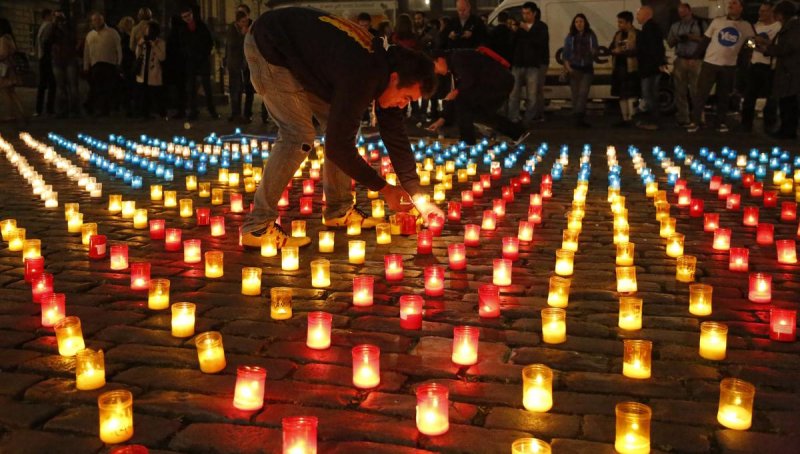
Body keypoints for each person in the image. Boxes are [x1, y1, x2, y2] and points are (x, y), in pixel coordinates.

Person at [241, 7, 441, 249]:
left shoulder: (386, 70)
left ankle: (339, 209)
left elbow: (395, 135)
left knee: (342, 129)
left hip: (306, 60)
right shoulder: (364, 73)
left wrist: (416, 193)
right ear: (396, 78)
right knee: (299, 135)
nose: (402, 105)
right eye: (406, 98)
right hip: (270, 45)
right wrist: (385, 189)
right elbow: (337, 148)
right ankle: (258, 226)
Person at [425, 48, 526, 145]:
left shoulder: (458, 58)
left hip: (497, 83)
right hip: (494, 84)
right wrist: (442, 119)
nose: (436, 72)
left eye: (435, 67)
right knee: (478, 113)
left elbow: (468, 80)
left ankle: (467, 141)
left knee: (463, 104)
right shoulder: (453, 66)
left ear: (439, 59)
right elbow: (457, 92)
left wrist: (456, 92)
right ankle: (517, 132)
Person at [688, 0, 755, 133]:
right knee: (701, 93)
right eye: (730, 3)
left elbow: (749, 46)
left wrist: (743, 63)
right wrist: (695, 56)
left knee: (723, 95)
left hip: (729, 65)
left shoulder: (746, 26)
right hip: (710, 63)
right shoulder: (718, 21)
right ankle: (695, 121)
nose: (730, 5)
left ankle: (720, 122)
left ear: (741, 8)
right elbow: (705, 40)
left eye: (735, 3)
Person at [759, 1, 800, 139]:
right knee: (786, 101)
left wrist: (769, 50)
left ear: (781, 14)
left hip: (790, 71)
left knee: (788, 102)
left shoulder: (794, 27)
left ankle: (788, 131)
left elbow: (789, 47)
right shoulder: (790, 26)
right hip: (787, 70)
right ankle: (786, 129)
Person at [741, 2, 781, 132]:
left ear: (771, 12)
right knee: (749, 94)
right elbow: (749, 43)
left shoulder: (778, 27)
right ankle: (746, 123)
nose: (760, 14)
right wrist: (757, 46)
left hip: (770, 66)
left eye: (764, 11)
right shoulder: (756, 26)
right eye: (760, 11)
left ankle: (770, 122)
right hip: (755, 63)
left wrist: (763, 43)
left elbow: (777, 46)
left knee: (770, 96)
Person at [509, 2, 549, 126]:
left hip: (533, 65)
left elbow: (540, 43)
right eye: (523, 13)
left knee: (532, 95)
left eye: (528, 13)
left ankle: (528, 118)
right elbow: (511, 44)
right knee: (514, 93)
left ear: (534, 13)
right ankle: (513, 117)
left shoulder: (541, 27)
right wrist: (514, 32)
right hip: (518, 64)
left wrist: (528, 31)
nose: (525, 16)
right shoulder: (519, 27)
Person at [667, 3, 708, 127]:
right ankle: (683, 117)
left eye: (684, 10)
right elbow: (670, 43)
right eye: (680, 11)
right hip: (681, 59)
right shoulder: (675, 26)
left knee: (696, 90)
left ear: (690, 10)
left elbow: (706, 41)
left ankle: (698, 117)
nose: (681, 13)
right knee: (680, 90)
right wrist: (678, 39)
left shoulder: (700, 24)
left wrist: (691, 37)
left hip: (696, 60)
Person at [176, 4, 219, 120]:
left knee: (207, 87)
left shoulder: (201, 26)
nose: (187, 18)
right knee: (191, 88)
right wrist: (189, 54)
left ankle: (212, 110)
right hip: (191, 62)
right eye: (184, 17)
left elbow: (209, 42)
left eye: (188, 15)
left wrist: (203, 53)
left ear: (192, 14)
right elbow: (182, 46)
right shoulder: (182, 30)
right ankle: (193, 111)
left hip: (203, 60)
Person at [562, 13, 599, 128]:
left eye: (581, 21)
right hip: (575, 68)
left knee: (583, 93)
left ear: (585, 23)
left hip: (587, 68)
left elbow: (595, 49)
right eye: (577, 21)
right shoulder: (570, 37)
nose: (579, 24)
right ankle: (577, 118)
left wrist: (592, 53)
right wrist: (568, 68)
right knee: (576, 95)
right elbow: (566, 54)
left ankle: (578, 117)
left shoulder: (591, 35)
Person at [83, 12, 122, 117]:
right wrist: (86, 66)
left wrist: (119, 62)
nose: (97, 22)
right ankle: (98, 107)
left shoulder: (112, 33)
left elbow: (118, 48)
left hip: (109, 63)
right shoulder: (90, 35)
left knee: (107, 87)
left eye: (99, 20)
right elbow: (87, 51)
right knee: (97, 87)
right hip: (95, 64)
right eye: (94, 20)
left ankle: (104, 108)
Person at [634, 6, 666, 130]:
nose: (637, 17)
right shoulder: (652, 28)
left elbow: (652, 49)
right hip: (651, 67)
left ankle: (655, 122)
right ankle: (653, 121)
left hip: (649, 68)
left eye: (638, 14)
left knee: (649, 95)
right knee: (650, 95)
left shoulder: (649, 29)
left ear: (646, 15)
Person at [610, 11, 640, 127]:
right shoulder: (618, 34)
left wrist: (623, 51)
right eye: (618, 22)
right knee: (622, 95)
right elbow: (611, 47)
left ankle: (632, 118)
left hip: (632, 68)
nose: (619, 24)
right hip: (619, 68)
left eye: (621, 22)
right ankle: (625, 118)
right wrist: (613, 50)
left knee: (632, 94)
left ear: (629, 22)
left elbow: (639, 50)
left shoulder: (637, 34)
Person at [49, 11, 80, 118]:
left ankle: (74, 110)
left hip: (69, 59)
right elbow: (48, 40)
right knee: (61, 86)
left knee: (72, 86)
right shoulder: (54, 31)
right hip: (58, 60)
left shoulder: (69, 30)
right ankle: (63, 110)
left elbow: (73, 41)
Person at [226, 10, 254, 123]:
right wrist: (242, 36)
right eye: (243, 21)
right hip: (235, 63)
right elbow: (232, 45)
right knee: (236, 89)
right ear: (238, 22)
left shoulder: (250, 27)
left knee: (248, 89)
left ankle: (246, 114)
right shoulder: (232, 30)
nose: (245, 23)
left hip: (246, 62)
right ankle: (236, 114)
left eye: (246, 21)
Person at [135, 21, 166, 119]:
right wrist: (139, 45)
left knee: (156, 93)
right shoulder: (143, 41)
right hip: (143, 71)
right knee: (144, 93)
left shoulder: (160, 42)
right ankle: (145, 113)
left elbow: (162, 57)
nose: (145, 30)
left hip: (153, 71)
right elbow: (137, 55)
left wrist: (154, 46)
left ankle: (161, 112)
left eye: (147, 28)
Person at [0, 17, 26, 126]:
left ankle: (10, 115)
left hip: (4, 69)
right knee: (11, 92)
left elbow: (2, 54)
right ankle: (21, 113)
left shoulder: (3, 39)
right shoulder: (9, 38)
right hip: (10, 67)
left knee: (5, 92)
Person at [35, 9, 56, 117]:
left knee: (43, 83)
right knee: (51, 83)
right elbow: (46, 42)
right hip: (46, 57)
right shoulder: (49, 26)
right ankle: (49, 108)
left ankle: (39, 108)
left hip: (42, 57)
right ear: (48, 16)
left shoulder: (42, 26)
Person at [116, 16, 136, 116]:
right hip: (128, 63)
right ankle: (129, 109)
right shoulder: (126, 38)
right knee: (129, 87)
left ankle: (129, 108)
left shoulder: (125, 37)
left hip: (128, 63)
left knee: (129, 87)